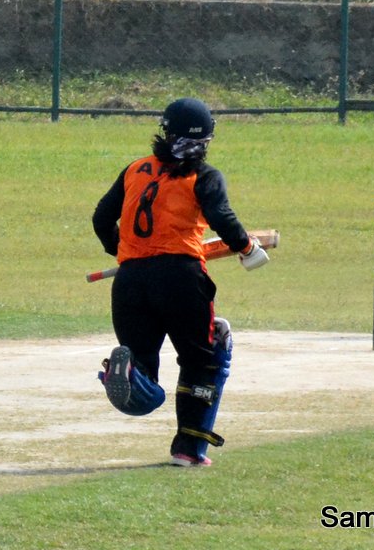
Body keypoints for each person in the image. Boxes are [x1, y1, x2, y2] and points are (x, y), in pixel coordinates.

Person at [89, 97, 269, 467]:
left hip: (129, 282)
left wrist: (124, 253)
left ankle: (126, 374)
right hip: (181, 280)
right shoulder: (203, 177)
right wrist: (248, 249)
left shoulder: (135, 169)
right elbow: (221, 216)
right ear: (206, 138)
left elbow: (100, 219)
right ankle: (188, 450)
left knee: (145, 370)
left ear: (164, 130)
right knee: (206, 357)